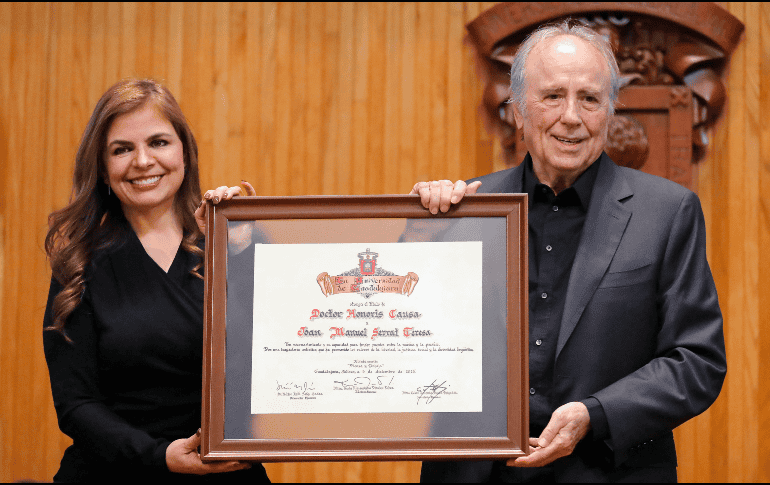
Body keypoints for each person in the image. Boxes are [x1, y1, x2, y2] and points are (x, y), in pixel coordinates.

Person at [413, 21, 726, 482]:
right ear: (518, 111)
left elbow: (697, 360)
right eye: (553, 96)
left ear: (610, 111)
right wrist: (416, 234)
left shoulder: (667, 212)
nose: (572, 116)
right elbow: (402, 334)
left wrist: (594, 413)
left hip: (606, 470)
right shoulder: (463, 214)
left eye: (591, 98)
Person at [43, 79, 269, 482]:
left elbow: (279, 359)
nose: (143, 161)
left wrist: (242, 256)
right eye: (122, 149)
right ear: (102, 165)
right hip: (113, 472)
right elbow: (75, 404)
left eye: (159, 142)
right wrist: (157, 456)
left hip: (226, 471)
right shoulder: (78, 265)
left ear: (185, 151)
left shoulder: (237, 242)